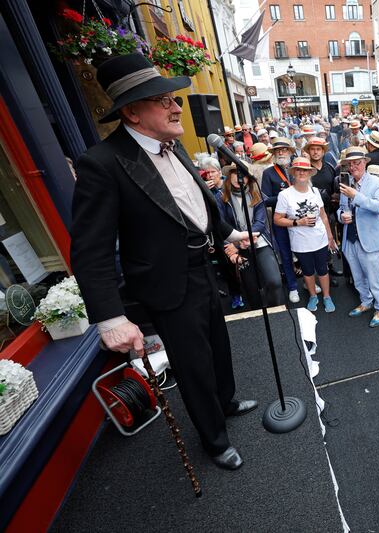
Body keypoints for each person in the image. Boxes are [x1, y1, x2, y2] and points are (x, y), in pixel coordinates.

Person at [71, 54, 257, 470]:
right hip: (167, 285)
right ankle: (214, 439)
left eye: (174, 98)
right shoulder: (102, 163)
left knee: (218, 345)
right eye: (164, 101)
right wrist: (109, 318)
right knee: (191, 365)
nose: (177, 108)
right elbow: (91, 250)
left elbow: (198, 203)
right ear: (132, 112)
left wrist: (227, 233)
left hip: (204, 268)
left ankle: (225, 402)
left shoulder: (172, 145)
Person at [273, 158, 336, 312]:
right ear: (294, 172)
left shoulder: (315, 192)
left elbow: (323, 216)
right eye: (298, 170)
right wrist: (297, 222)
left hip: (319, 238)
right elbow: (277, 219)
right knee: (307, 271)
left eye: (305, 170)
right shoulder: (285, 195)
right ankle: (313, 296)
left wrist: (330, 237)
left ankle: (327, 296)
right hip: (300, 242)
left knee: (323, 269)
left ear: (309, 173)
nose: (302, 173)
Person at [217, 164, 283, 309]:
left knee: (274, 282)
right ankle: (259, 316)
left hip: (259, 241)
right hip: (236, 246)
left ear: (250, 179)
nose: (240, 178)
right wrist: (237, 244)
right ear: (229, 175)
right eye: (236, 173)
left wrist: (242, 240)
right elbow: (220, 224)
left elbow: (260, 223)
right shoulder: (220, 197)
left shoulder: (256, 194)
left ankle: (276, 311)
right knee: (252, 290)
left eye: (244, 175)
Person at [338, 147, 379, 327]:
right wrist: (341, 216)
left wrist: (356, 196)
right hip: (350, 239)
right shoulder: (346, 183)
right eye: (350, 164)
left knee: (374, 278)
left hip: (370, 240)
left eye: (357, 163)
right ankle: (366, 302)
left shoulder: (376, 182)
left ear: (365, 163)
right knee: (358, 277)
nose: (353, 167)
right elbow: (341, 208)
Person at [261, 137, 301, 303]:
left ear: (290, 152)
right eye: (278, 150)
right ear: (274, 154)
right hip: (281, 220)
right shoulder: (268, 173)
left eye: (284, 150)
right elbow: (265, 199)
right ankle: (292, 287)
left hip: (301, 218)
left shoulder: (298, 168)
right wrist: (285, 195)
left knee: (304, 252)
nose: (281, 152)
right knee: (285, 254)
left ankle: (308, 282)